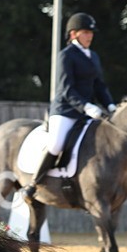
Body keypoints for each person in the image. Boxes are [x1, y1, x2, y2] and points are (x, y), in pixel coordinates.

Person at [21, 12, 117, 198]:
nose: (90, 36)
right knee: (56, 144)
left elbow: (99, 86)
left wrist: (111, 106)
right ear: (73, 34)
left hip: (86, 113)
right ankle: (34, 183)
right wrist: (87, 106)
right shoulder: (66, 56)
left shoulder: (93, 56)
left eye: (91, 33)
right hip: (65, 111)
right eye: (86, 32)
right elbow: (67, 89)